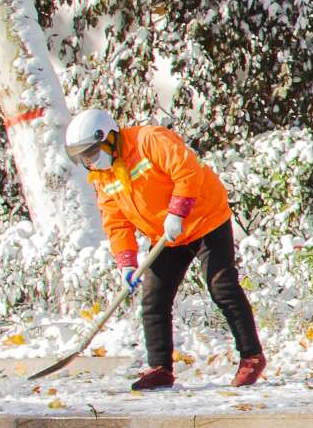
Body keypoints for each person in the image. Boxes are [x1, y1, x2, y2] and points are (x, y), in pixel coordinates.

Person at [64, 108, 267, 391]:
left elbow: (187, 170)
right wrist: (126, 262)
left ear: (108, 138)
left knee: (222, 286)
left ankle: (251, 357)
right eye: (83, 157)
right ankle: (160, 368)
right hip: (168, 236)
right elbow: (116, 223)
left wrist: (178, 210)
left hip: (205, 218)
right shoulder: (103, 176)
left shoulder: (149, 140)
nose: (89, 160)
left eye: (91, 152)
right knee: (154, 301)